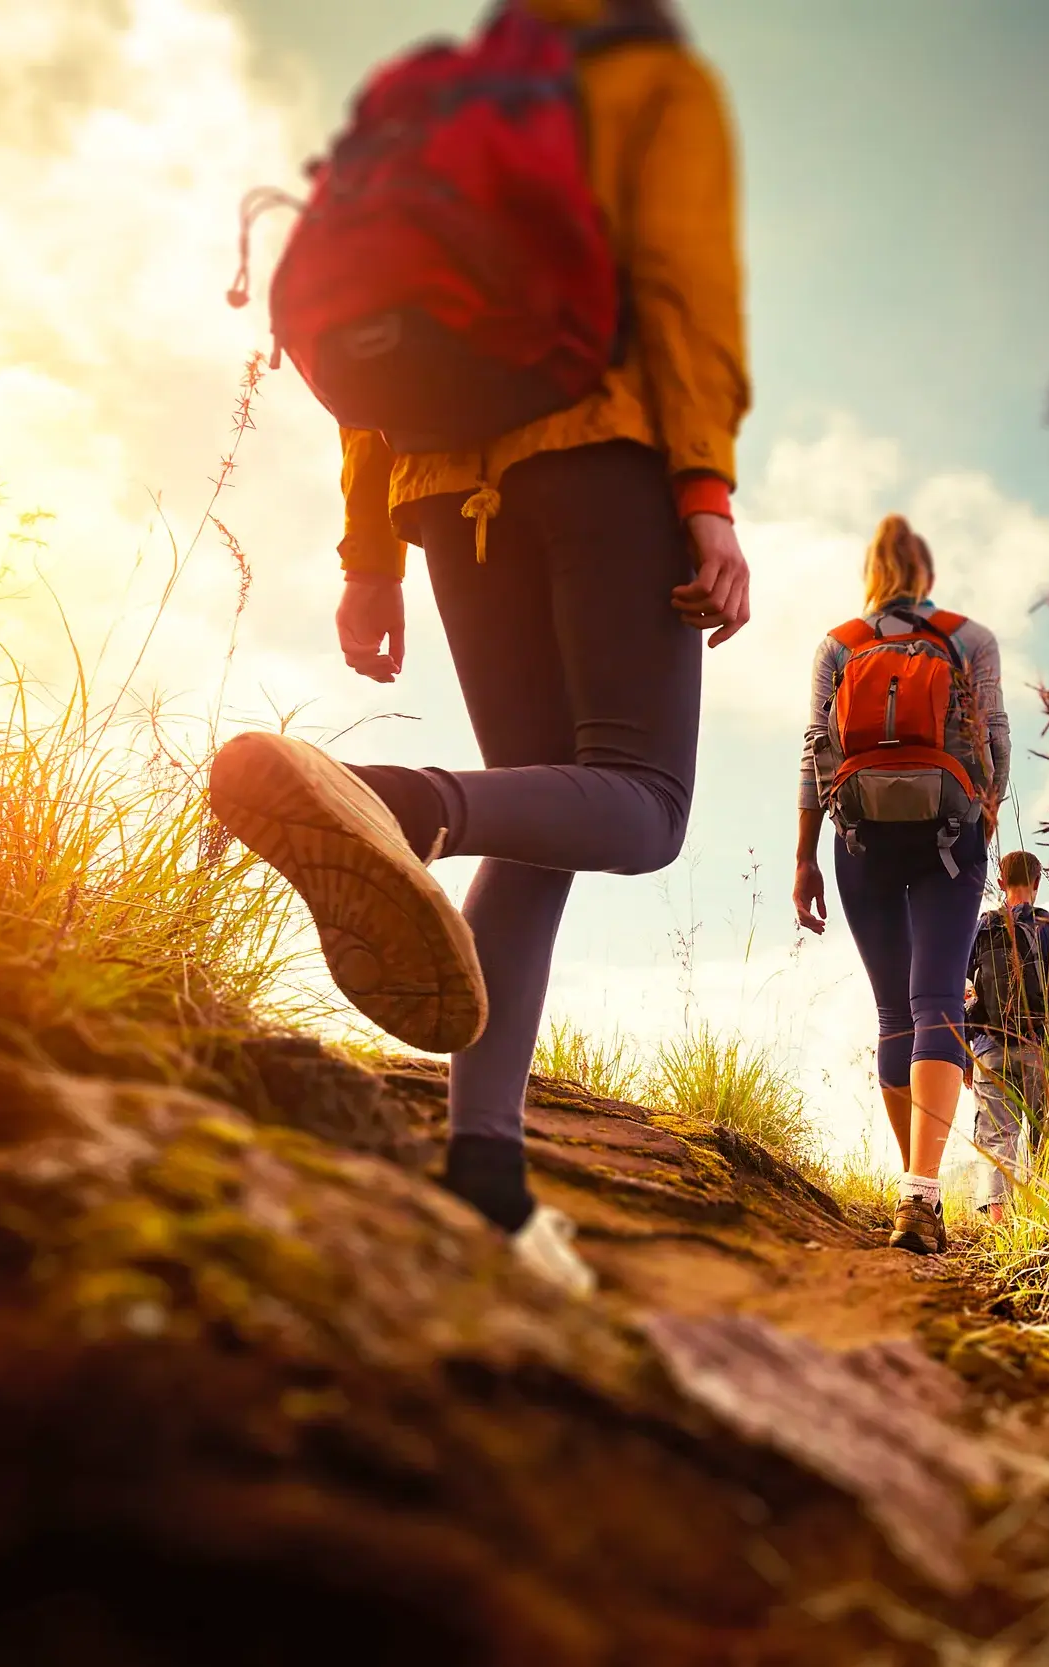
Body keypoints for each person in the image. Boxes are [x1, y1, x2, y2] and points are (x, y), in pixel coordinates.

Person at [208, 0, 748, 1297]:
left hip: (443, 490)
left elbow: (378, 358)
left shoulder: (436, 94)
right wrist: (707, 495)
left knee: (543, 817)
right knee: (643, 800)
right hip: (601, 461)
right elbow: (682, 283)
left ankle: (487, 1181)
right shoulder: (646, 80)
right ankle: (397, 805)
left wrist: (368, 555)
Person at [793, 515, 1010, 1255]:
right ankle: (921, 1188)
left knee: (894, 1014)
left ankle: (916, 1190)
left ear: (871, 573)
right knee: (938, 1003)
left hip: (860, 841)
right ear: (927, 572)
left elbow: (812, 754)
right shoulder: (968, 637)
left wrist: (806, 857)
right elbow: (998, 740)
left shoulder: (839, 645)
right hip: (950, 836)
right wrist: (982, 822)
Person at [964, 850, 1049, 1221]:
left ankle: (1000, 1227)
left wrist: (963, 1056)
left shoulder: (979, 927)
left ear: (1001, 882)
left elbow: (963, 991)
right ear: (1038, 884)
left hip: (990, 1050)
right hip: (1044, 1049)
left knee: (995, 1139)